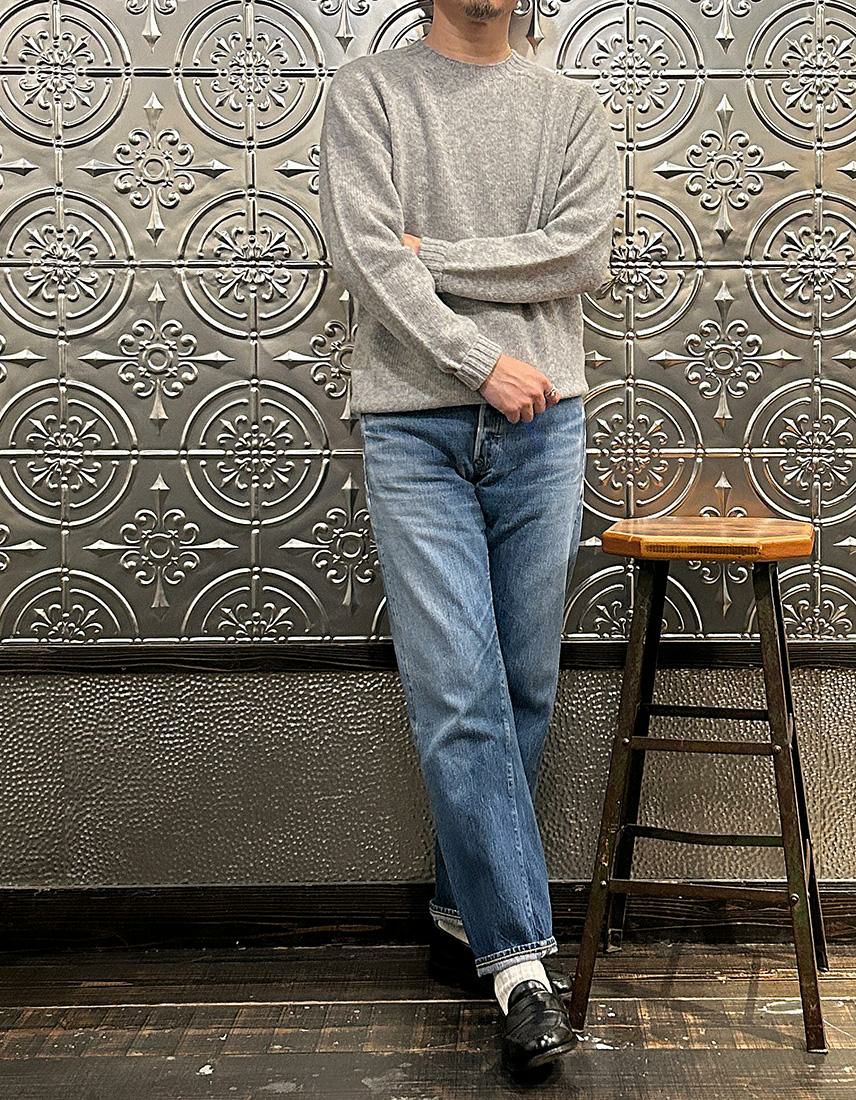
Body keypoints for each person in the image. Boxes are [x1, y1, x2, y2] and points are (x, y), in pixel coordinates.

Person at [316, 0, 621, 1077]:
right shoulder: (370, 94)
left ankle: (462, 905)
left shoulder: (571, 108)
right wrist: (478, 359)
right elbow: (366, 256)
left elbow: (578, 255)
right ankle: (522, 969)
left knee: (523, 684)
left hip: (547, 426)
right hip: (413, 425)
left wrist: (434, 254)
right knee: (457, 688)